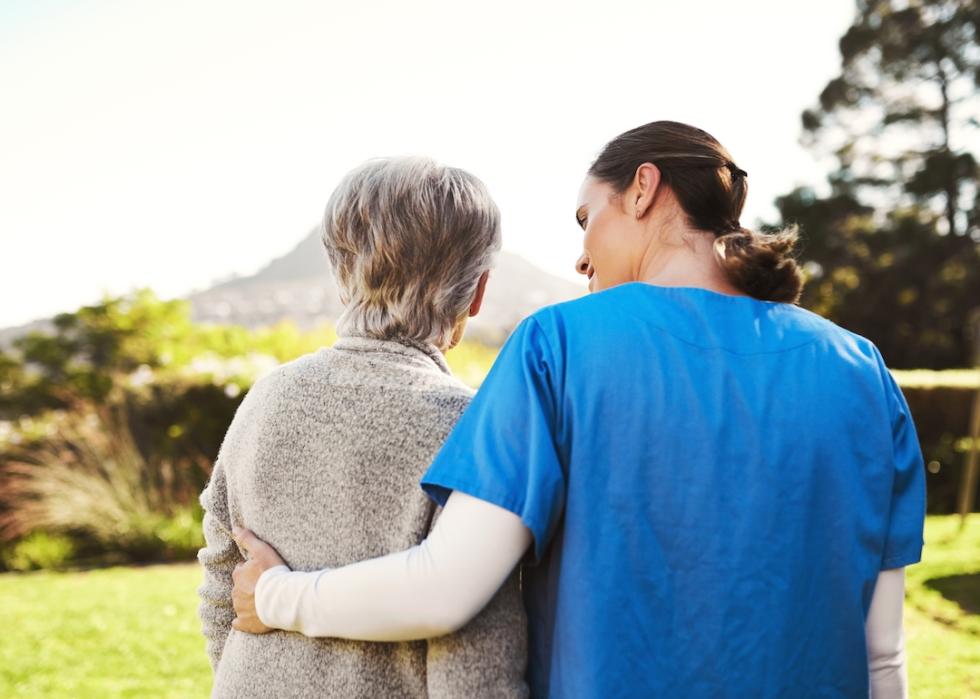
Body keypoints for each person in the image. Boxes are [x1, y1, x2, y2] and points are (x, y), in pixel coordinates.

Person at [230, 121, 926, 698]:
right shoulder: (862, 371)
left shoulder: (558, 346)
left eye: (586, 218)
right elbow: (882, 658)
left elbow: (446, 587)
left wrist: (277, 596)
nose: (581, 256)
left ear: (644, 188)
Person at [197, 156, 529, 698]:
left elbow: (222, 588)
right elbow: (476, 656)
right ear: (478, 291)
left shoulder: (265, 400)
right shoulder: (472, 428)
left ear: (338, 272)